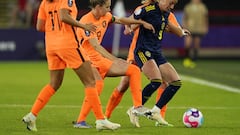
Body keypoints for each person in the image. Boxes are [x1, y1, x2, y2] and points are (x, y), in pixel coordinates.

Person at [22, 0, 121, 132]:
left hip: (51, 45)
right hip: (68, 44)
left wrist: (55, 30)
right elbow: (63, 16)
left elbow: (40, 26)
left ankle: (32, 115)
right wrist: (82, 26)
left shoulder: (45, 2)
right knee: (91, 81)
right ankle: (100, 120)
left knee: (54, 84)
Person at [105, 0, 189, 127]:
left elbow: (172, 27)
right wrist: (135, 25)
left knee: (167, 82)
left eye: (173, 5)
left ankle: (157, 113)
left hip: (155, 52)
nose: (172, 7)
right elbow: (129, 23)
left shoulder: (167, 12)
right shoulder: (145, 9)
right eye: (170, 4)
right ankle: (107, 115)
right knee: (125, 84)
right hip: (138, 52)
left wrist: (181, 31)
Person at [72, 0, 155, 129]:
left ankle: (137, 107)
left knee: (133, 70)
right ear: (98, 7)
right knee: (98, 85)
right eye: (107, 7)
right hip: (87, 60)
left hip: (101, 60)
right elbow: (95, 46)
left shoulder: (106, 16)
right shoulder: (85, 21)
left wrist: (141, 22)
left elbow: (122, 20)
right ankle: (81, 121)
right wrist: (115, 60)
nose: (109, 10)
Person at [182, 0, 208, 68]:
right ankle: (187, 59)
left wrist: (205, 26)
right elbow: (185, 17)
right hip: (189, 28)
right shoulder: (188, 7)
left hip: (198, 28)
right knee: (187, 44)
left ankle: (193, 60)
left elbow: (205, 17)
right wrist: (184, 26)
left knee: (196, 45)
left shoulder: (202, 7)